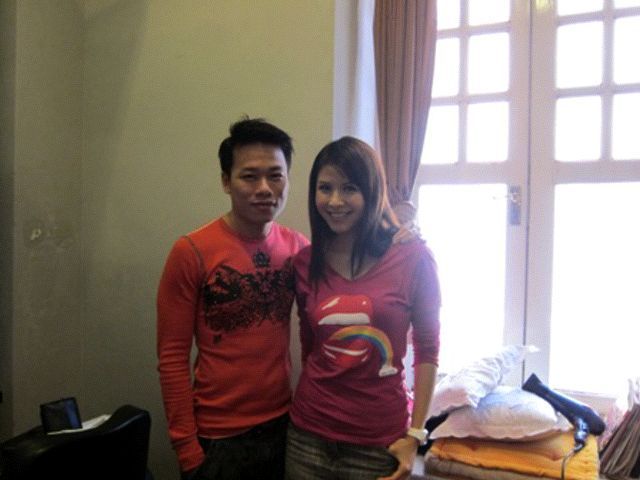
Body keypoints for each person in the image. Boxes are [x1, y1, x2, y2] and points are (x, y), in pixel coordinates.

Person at [157, 117, 309, 480]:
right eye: (249, 176)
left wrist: (397, 234)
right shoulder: (191, 251)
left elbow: (346, 289)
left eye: (275, 175)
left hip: (284, 426)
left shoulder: (298, 249)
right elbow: (172, 356)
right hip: (217, 438)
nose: (264, 188)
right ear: (226, 181)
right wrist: (186, 448)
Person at [285, 137, 441, 480]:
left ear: (371, 191)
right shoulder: (305, 262)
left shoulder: (413, 258)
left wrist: (415, 435)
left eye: (349, 188)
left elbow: (428, 350)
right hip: (307, 438)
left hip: (377, 445)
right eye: (325, 188)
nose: (335, 201)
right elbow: (310, 346)